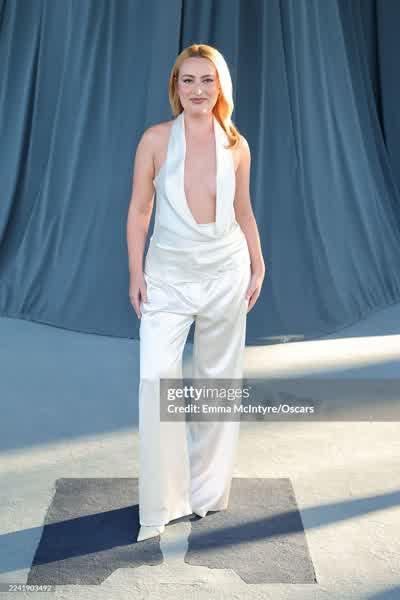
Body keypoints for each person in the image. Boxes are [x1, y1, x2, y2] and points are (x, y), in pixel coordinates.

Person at [126, 44, 265, 542]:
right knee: (155, 379)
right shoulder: (155, 140)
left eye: (208, 80)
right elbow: (140, 209)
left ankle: (206, 492)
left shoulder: (237, 146)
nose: (198, 89)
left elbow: (243, 209)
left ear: (220, 86)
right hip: (167, 277)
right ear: (176, 86)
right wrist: (136, 273)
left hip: (226, 271)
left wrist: (258, 262)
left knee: (217, 383)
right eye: (188, 80)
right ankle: (161, 502)